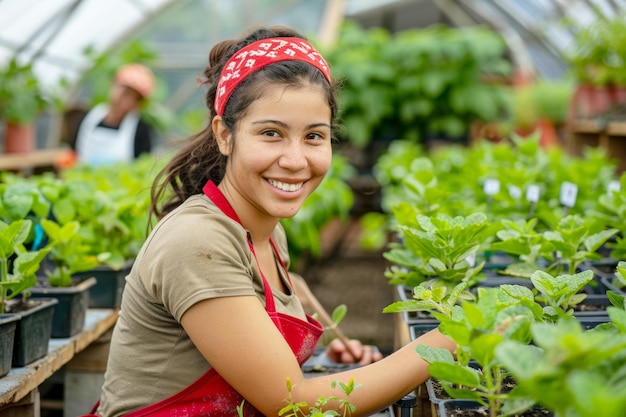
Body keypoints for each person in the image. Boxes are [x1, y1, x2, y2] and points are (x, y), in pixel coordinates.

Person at [85, 25, 455, 417]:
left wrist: (333, 358)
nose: (296, 160)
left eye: (314, 136)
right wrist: (454, 338)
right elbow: (291, 402)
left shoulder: (268, 233)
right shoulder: (197, 240)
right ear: (224, 136)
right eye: (271, 133)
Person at [70, 63, 157, 165]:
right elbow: (73, 152)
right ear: (113, 86)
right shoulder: (88, 118)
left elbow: (142, 163)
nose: (125, 100)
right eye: (124, 92)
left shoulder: (141, 130)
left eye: (134, 98)